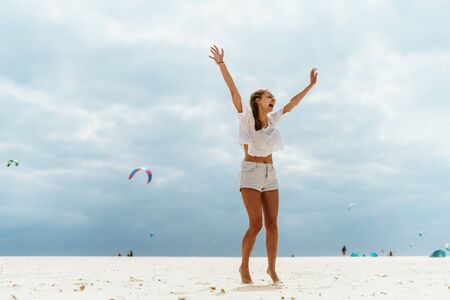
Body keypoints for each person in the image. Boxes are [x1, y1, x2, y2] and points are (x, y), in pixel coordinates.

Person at [209, 45, 317, 284]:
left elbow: (291, 104)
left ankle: (271, 269)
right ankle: (244, 268)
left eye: (273, 98)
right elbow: (234, 92)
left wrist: (310, 86)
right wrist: (221, 64)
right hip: (250, 172)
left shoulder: (272, 120)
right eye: (269, 97)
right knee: (256, 224)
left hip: (271, 173)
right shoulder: (246, 118)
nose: (273, 100)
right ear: (258, 100)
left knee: (273, 226)